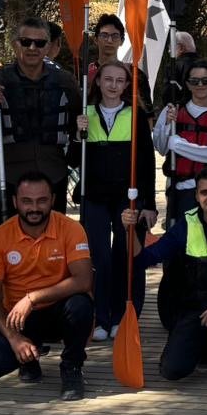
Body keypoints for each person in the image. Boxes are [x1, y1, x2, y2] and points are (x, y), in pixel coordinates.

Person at [125, 164, 207, 380]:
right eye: (205, 192)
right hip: (195, 309)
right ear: (196, 196)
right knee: (171, 370)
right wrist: (129, 230)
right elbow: (143, 259)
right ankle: (206, 349)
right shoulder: (185, 225)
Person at [0, 172, 94, 400]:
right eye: (26, 201)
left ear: (52, 200)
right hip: (17, 317)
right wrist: (14, 338)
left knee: (81, 305)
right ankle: (28, 357)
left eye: (41, 200)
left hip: (58, 311)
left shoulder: (71, 228)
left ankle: (72, 367)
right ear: (15, 202)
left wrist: (31, 298)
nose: (34, 208)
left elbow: (84, 280)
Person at [75, 60, 156, 341]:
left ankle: (124, 315)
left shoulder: (136, 116)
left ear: (127, 86)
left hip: (127, 197)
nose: (113, 85)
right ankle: (101, 316)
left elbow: (146, 162)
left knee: (126, 254)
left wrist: (149, 204)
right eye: (108, 79)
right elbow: (73, 159)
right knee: (99, 257)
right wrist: (77, 135)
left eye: (119, 81)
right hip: (95, 196)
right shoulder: (85, 114)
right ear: (98, 82)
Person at [0, 16, 79, 224]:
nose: (32, 48)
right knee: (5, 237)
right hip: (9, 176)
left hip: (53, 174)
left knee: (52, 238)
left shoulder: (65, 81)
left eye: (40, 43)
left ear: (48, 47)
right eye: (26, 42)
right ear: (15, 44)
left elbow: (77, 125)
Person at [154, 58, 207, 225]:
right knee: (179, 235)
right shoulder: (173, 110)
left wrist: (177, 144)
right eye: (194, 81)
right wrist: (167, 126)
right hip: (178, 188)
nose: (200, 85)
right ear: (188, 85)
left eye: (205, 81)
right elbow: (161, 148)